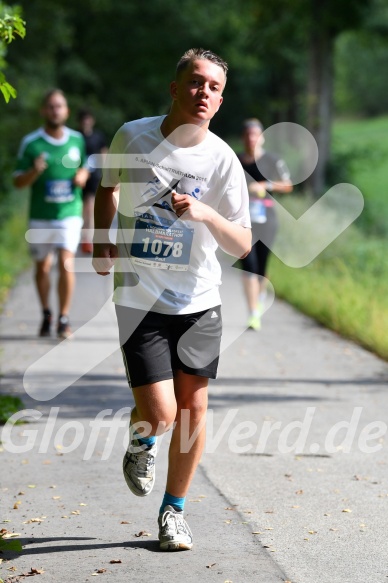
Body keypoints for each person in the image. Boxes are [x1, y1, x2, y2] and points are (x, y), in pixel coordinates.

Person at [92, 48, 251, 551]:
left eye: (215, 88)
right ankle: (142, 443)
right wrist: (102, 240)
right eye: (197, 83)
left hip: (200, 300)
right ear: (175, 87)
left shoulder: (223, 159)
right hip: (140, 297)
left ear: (220, 101)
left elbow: (243, 243)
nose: (205, 93)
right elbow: (107, 187)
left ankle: (173, 512)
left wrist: (204, 214)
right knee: (160, 415)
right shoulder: (131, 135)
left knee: (194, 410)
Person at [13, 89, 89, 339]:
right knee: (43, 267)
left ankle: (63, 318)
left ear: (66, 111)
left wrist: (83, 175)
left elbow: (86, 166)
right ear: (43, 111)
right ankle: (46, 312)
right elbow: (18, 182)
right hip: (40, 215)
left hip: (69, 213)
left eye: (60, 106)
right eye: (51, 106)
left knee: (66, 263)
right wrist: (34, 171)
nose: (55, 110)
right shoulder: (31, 143)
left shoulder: (77, 139)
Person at [237, 118, 293, 331]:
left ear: (262, 138)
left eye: (255, 135)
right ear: (243, 138)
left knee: (261, 267)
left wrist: (266, 184)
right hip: (242, 222)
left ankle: (258, 301)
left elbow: (288, 185)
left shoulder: (272, 160)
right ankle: (253, 313)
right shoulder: (235, 160)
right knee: (248, 266)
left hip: (267, 219)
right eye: (248, 135)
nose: (252, 139)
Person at [78, 109, 108, 254]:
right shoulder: (76, 137)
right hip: (77, 176)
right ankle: (79, 235)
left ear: (92, 120)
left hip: (94, 176)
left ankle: (86, 239)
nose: (86, 122)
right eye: (83, 119)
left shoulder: (98, 136)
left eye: (88, 118)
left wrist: (107, 173)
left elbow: (104, 154)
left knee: (90, 208)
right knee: (80, 208)